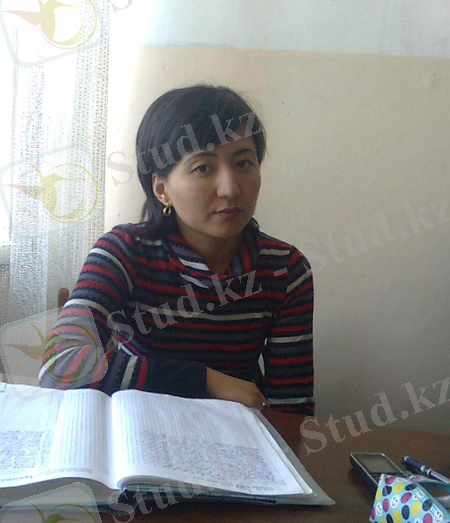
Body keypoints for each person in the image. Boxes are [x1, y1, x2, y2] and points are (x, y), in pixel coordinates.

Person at [39, 85, 314, 413]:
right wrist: (204, 381)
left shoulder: (285, 269)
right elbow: (60, 364)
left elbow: (291, 409)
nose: (230, 188)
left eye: (243, 163)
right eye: (203, 168)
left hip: (234, 434)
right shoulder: (124, 252)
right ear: (161, 189)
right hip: (139, 428)